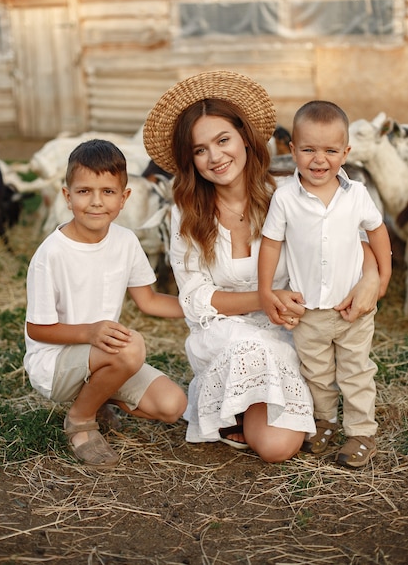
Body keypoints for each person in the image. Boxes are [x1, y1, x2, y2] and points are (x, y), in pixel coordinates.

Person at [142, 70, 381, 463]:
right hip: (225, 335)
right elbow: (196, 298)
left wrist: (371, 277)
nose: (215, 157)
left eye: (223, 140)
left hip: (289, 331)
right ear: (190, 159)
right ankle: (231, 400)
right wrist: (265, 298)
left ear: (245, 138)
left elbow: (348, 239)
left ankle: (243, 411)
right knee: (248, 354)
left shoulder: (287, 193)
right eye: (200, 150)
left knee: (276, 447)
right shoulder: (185, 213)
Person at [24, 139, 187, 468]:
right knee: (131, 347)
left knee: (173, 405)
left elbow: (150, 301)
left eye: (108, 192)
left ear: (124, 197)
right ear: (67, 196)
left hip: (102, 356)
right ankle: (81, 420)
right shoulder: (51, 254)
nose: (96, 202)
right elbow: (37, 329)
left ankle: (96, 397)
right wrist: (90, 333)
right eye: (84, 191)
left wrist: (205, 305)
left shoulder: (125, 242)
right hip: (55, 367)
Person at [258, 100, 392, 468]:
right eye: (309, 149)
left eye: (331, 150)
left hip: (352, 307)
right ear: (292, 150)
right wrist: (266, 290)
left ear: (346, 152)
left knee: (356, 371)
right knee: (316, 372)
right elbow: (271, 244)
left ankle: (362, 432)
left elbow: (377, 231)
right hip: (309, 311)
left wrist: (383, 274)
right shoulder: (285, 197)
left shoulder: (357, 194)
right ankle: (325, 422)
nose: (320, 160)